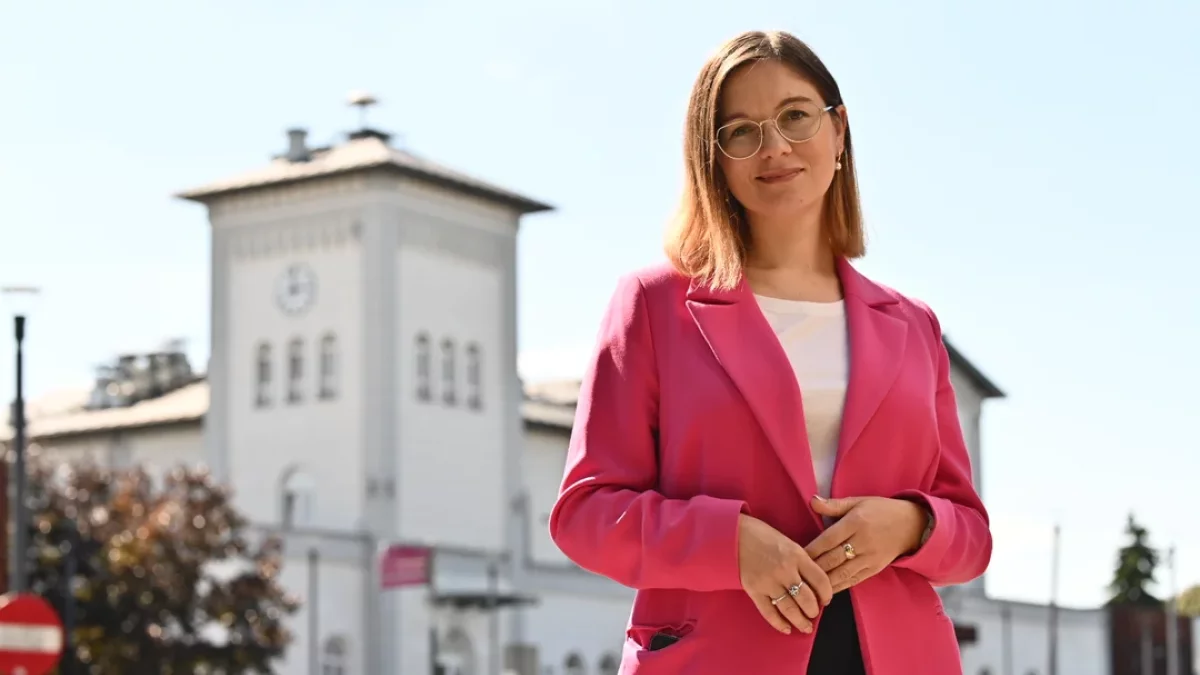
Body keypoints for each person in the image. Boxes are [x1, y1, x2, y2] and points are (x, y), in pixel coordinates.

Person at [548, 29, 992, 675]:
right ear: (715, 160)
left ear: (838, 131)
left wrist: (908, 525)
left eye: (795, 116)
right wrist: (730, 543)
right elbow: (586, 514)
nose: (775, 146)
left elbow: (971, 536)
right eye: (741, 131)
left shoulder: (913, 324)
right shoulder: (653, 304)